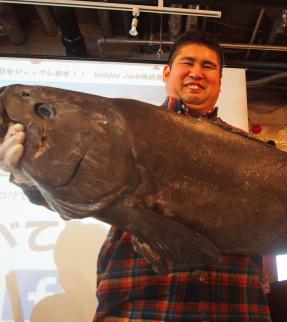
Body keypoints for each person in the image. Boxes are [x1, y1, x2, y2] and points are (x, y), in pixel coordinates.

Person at [0, 31, 272, 322]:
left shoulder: (255, 151)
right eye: (187, 62)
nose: (196, 72)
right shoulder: (120, 129)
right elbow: (66, 197)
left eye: (208, 66)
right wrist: (28, 177)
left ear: (219, 81)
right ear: (167, 73)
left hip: (234, 300)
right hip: (141, 302)